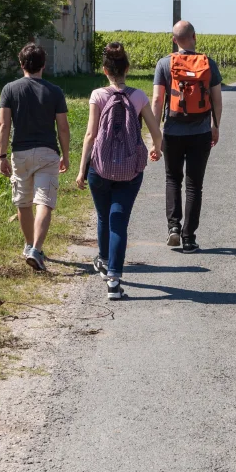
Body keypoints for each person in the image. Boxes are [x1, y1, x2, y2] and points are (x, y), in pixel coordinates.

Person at [76, 42, 162, 299]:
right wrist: (156, 149)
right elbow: (155, 130)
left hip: (100, 168)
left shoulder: (97, 95)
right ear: (127, 68)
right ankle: (113, 280)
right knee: (119, 221)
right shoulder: (139, 96)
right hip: (130, 169)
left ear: (105, 70)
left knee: (104, 217)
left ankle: (103, 261)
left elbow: (90, 135)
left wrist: (82, 170)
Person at [0, 42, 70, 272]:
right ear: (43, 65)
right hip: (48, 153)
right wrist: (66, 154)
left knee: (24, 202)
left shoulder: (9, 89)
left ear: (21, 64)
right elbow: (63, 127)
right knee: (44, 202)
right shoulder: (55, 91)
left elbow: (4, 125)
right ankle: (36, 250)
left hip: (20, 153)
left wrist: (1, 155)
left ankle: (30, 244)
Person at [152, 20, 223, 253]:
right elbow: (217, 100)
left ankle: (173, 227)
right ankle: (189, 238)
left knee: (173, 179)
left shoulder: (164, 64)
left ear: (174, 40)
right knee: (194, 186)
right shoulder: (208, 63)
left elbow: (157, 100)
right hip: (201, 133)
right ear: (195, 36)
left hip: (173, 132)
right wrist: (215, 126)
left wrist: (156, 135)